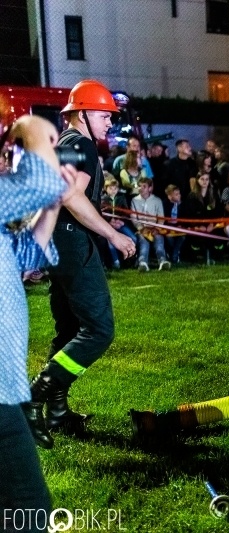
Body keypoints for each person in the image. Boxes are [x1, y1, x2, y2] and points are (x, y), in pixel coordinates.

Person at [24, 80, 137, 447]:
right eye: (105, 115)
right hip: (74, 245)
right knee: (97, 331)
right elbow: (71, 198)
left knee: (70, 330)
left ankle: (57, 413)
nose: (110, 123)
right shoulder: (83, 145)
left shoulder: (64, 145)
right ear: (83, 114)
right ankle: (33, 397)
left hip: (60, 247)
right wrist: (113, 235)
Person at [1, 115, 79, 527]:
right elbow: (37, 183)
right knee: (28, 510)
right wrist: (31, 128)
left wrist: (50, 209)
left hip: (5, 389)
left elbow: (23, 258)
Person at [131, 177, 171, 272]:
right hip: (142, 229)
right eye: (139, 186)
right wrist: (141, 228)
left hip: (155, 229)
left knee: (159, 242)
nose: (141, 188)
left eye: (144, 186)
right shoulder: (134, 200)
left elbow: (161, 217)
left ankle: (162, 261)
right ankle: (143, 262)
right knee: (143, 242)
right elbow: (133, 218)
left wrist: (157, 228)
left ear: (150, 188)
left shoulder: (157, 201)